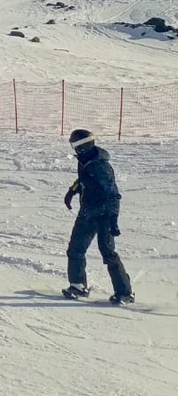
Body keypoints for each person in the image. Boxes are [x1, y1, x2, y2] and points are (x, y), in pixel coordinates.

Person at [62, 129, 133, 303]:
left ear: (82, 146)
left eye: (75, 145)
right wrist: (72, 190)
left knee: (107, 252)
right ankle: (78, 285)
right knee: (75, 248)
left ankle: (125, 292)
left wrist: (113, 219)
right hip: (87, 212)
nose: (74, 148)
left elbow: (112, 195)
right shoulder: (85, 160)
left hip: (103, 215)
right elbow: (84, 180)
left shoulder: (100, 166)